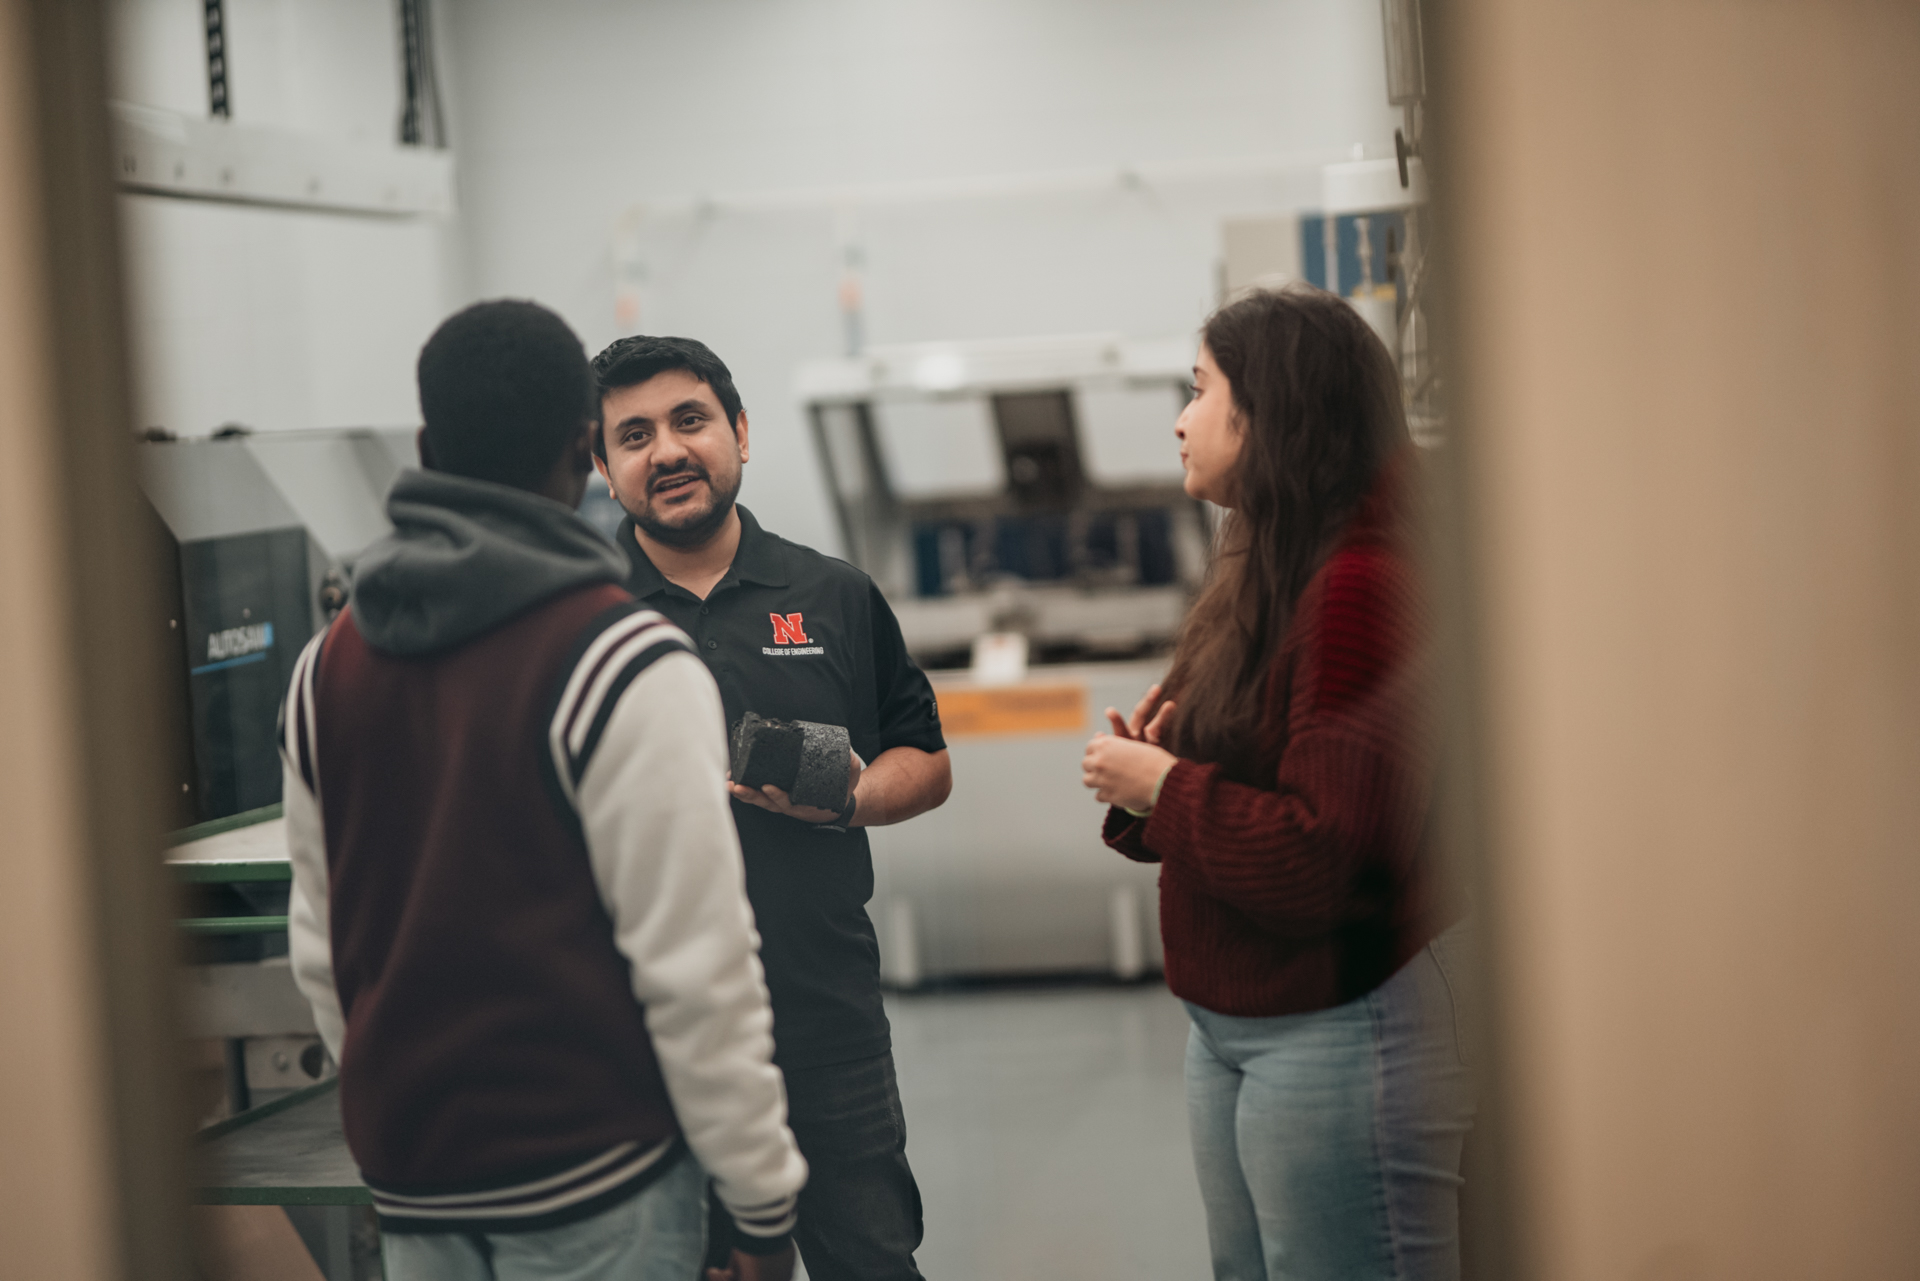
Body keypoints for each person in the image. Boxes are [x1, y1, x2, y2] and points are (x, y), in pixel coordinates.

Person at [281, 301, 806, 1281]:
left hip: (415, 1183)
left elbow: (319, 950)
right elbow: (697, 970)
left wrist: (405, 1121)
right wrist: (761, 1206)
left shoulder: (323, 671)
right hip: (600, 1185)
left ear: (429, 445)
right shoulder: (625, 662)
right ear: (584, 451)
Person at [1080, 286, 1473, 1280]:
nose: (1178, 417)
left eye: (1200, 389)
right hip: (1231, 1020)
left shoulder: (1360, 586)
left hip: (1338, 1023)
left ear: (1269, 412)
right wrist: (1154, 784)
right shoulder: (1261, 561)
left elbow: (1324, 860)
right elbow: (1215, 776)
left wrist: (1164, 788)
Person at [587, 335, 952, 1281]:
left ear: (741, 432)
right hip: (647, 1032)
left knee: (871, 1256)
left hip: (824, 1008)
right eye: (633, 435)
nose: (666, 449)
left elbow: (927, 758)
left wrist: (851, 795)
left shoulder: (833, 594)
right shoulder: (579, 619)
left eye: (690, 420)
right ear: (602, 467)